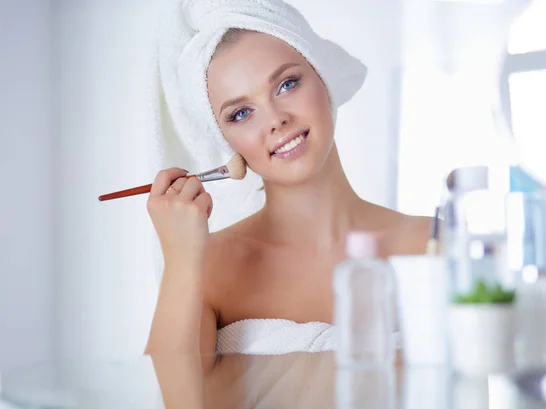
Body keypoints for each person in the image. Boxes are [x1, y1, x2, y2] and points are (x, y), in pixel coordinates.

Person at [145, 0, 431, 356]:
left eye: (286, 84)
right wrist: (181, 263)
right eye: (241, 113)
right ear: (225, 140)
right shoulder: (209, 267)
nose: (275, 119)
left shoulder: (433, 245)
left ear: (323, 78)